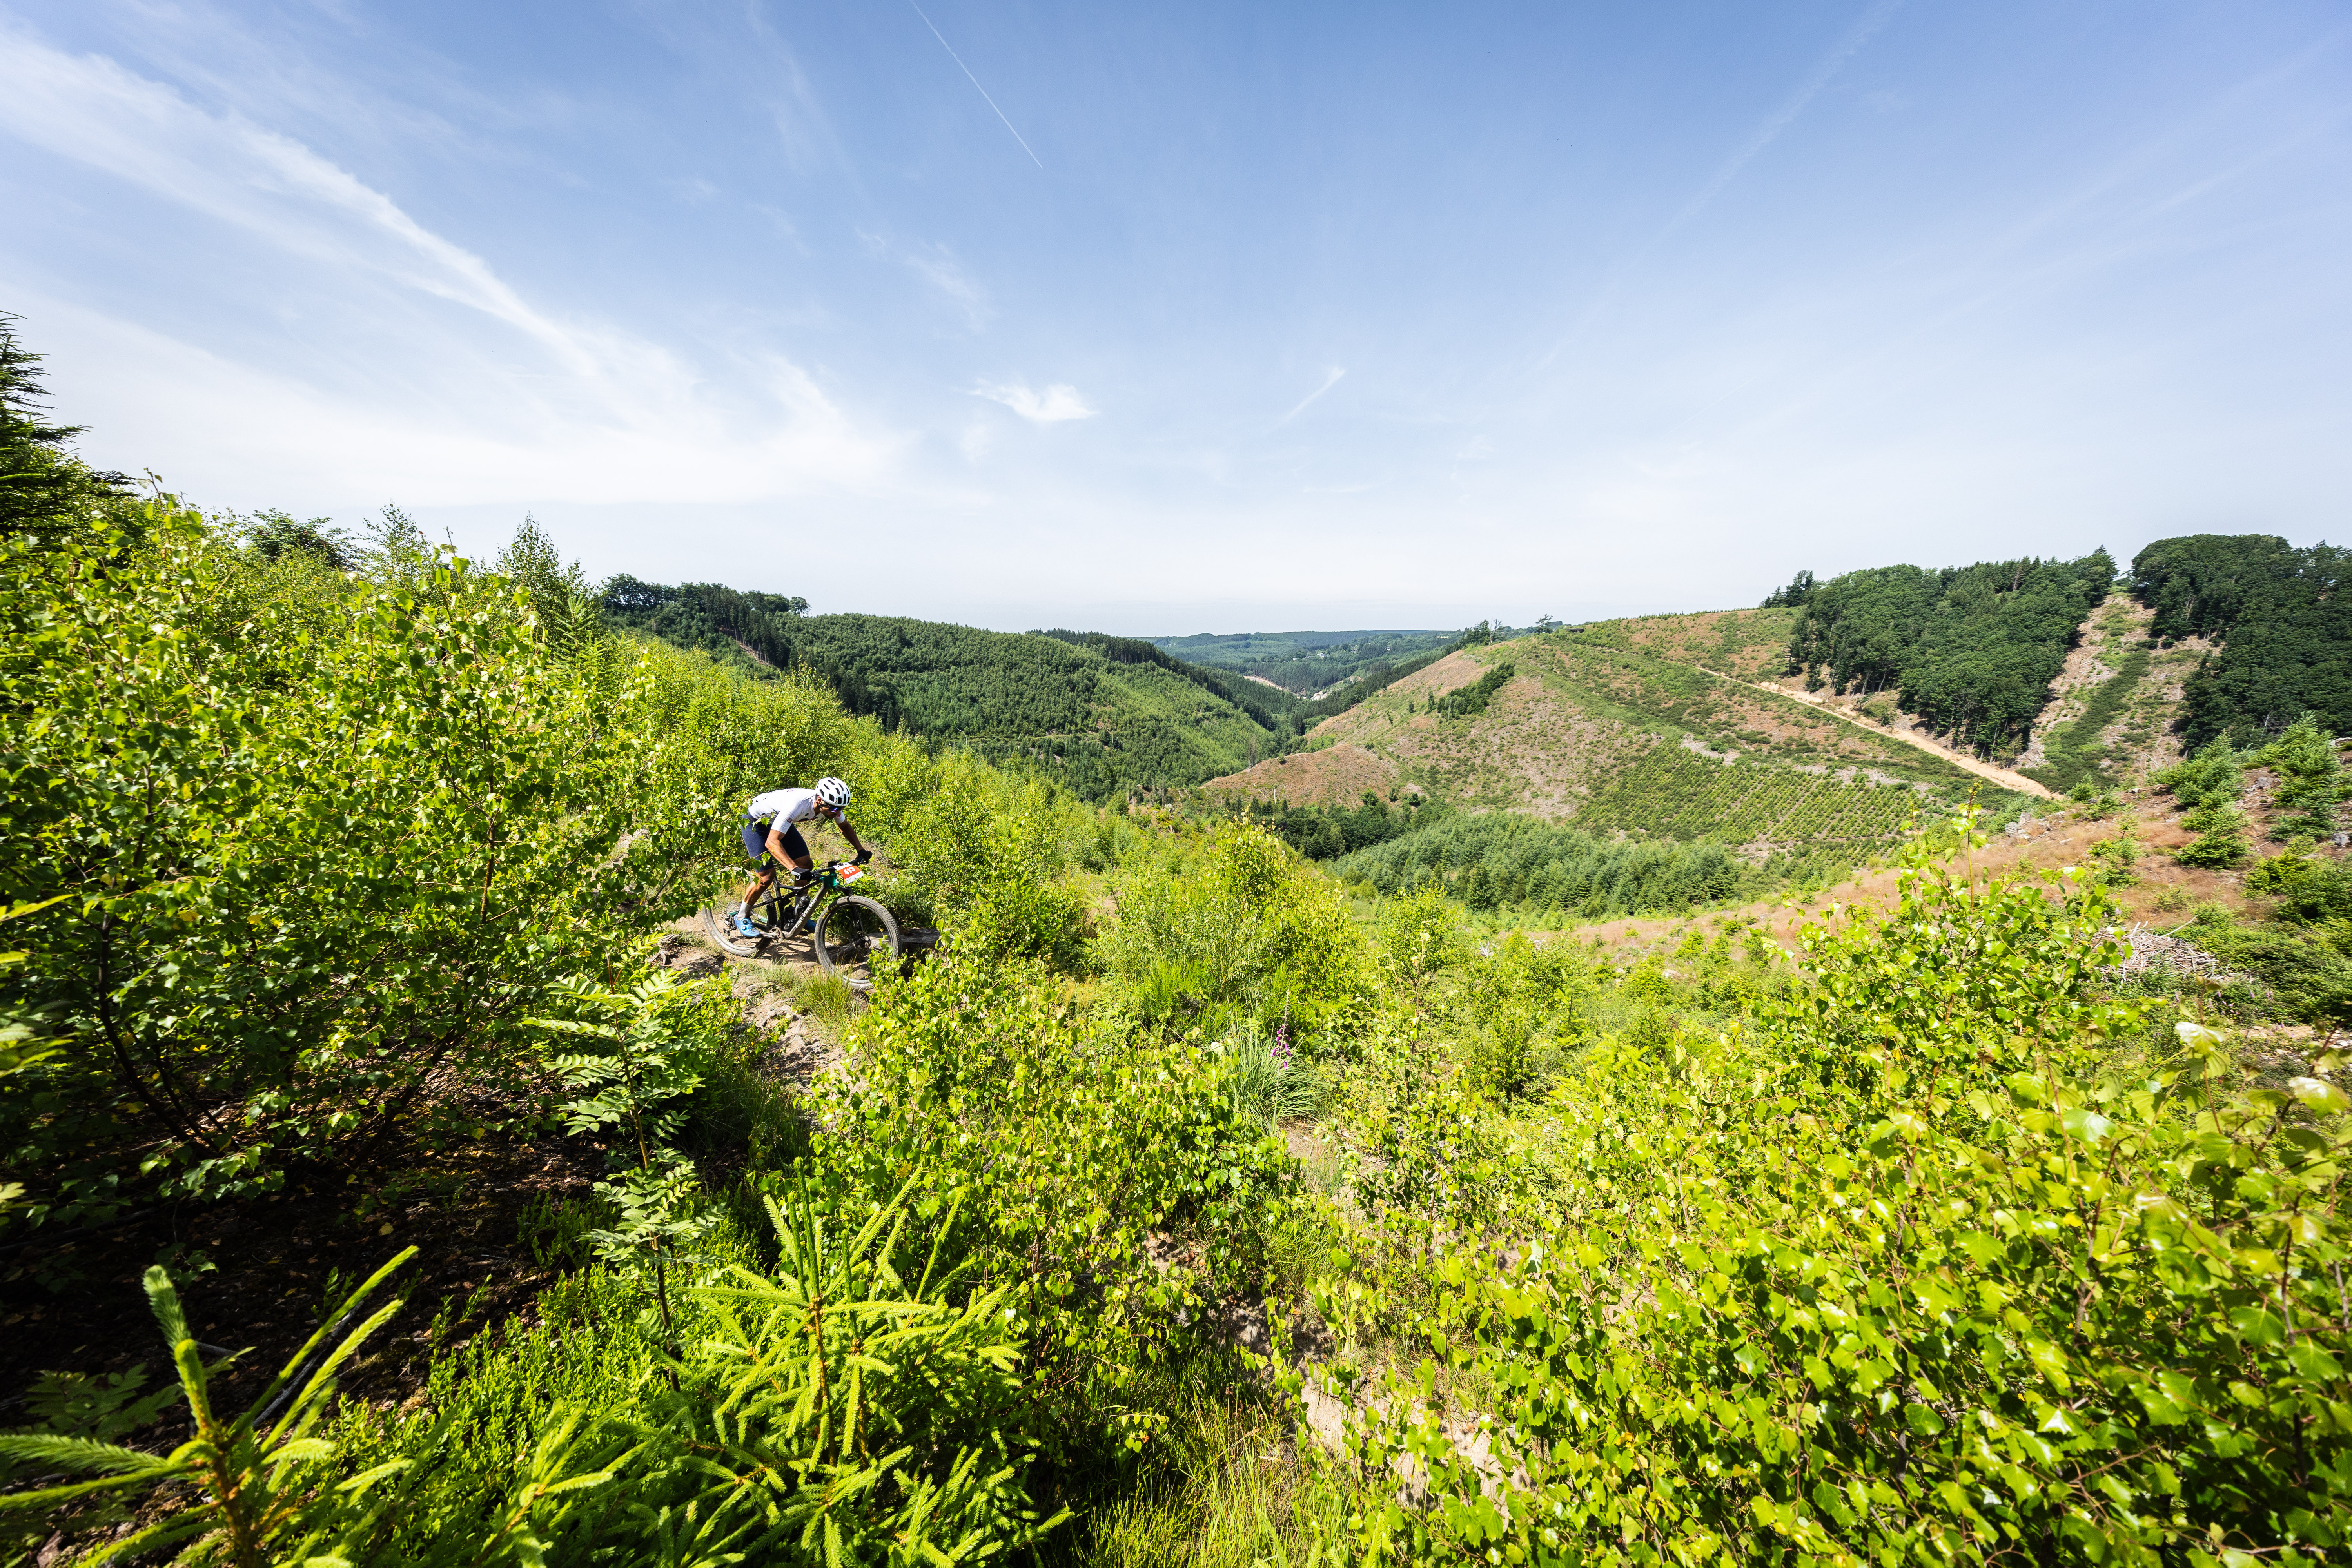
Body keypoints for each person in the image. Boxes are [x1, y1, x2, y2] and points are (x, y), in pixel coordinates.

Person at [731, 776, 871, 938]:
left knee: (806, 864)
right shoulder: (797, 805)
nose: (838, 813)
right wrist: (793, 869)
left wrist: (861, 850)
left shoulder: (831, 806)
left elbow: (845, 827)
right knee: (766, 878)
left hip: (778, 819)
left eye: (841, 809)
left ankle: (800, 914)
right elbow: (772, 843)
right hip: (755, 821)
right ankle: (741, 916)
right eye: (834, 809)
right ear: (819, 800)